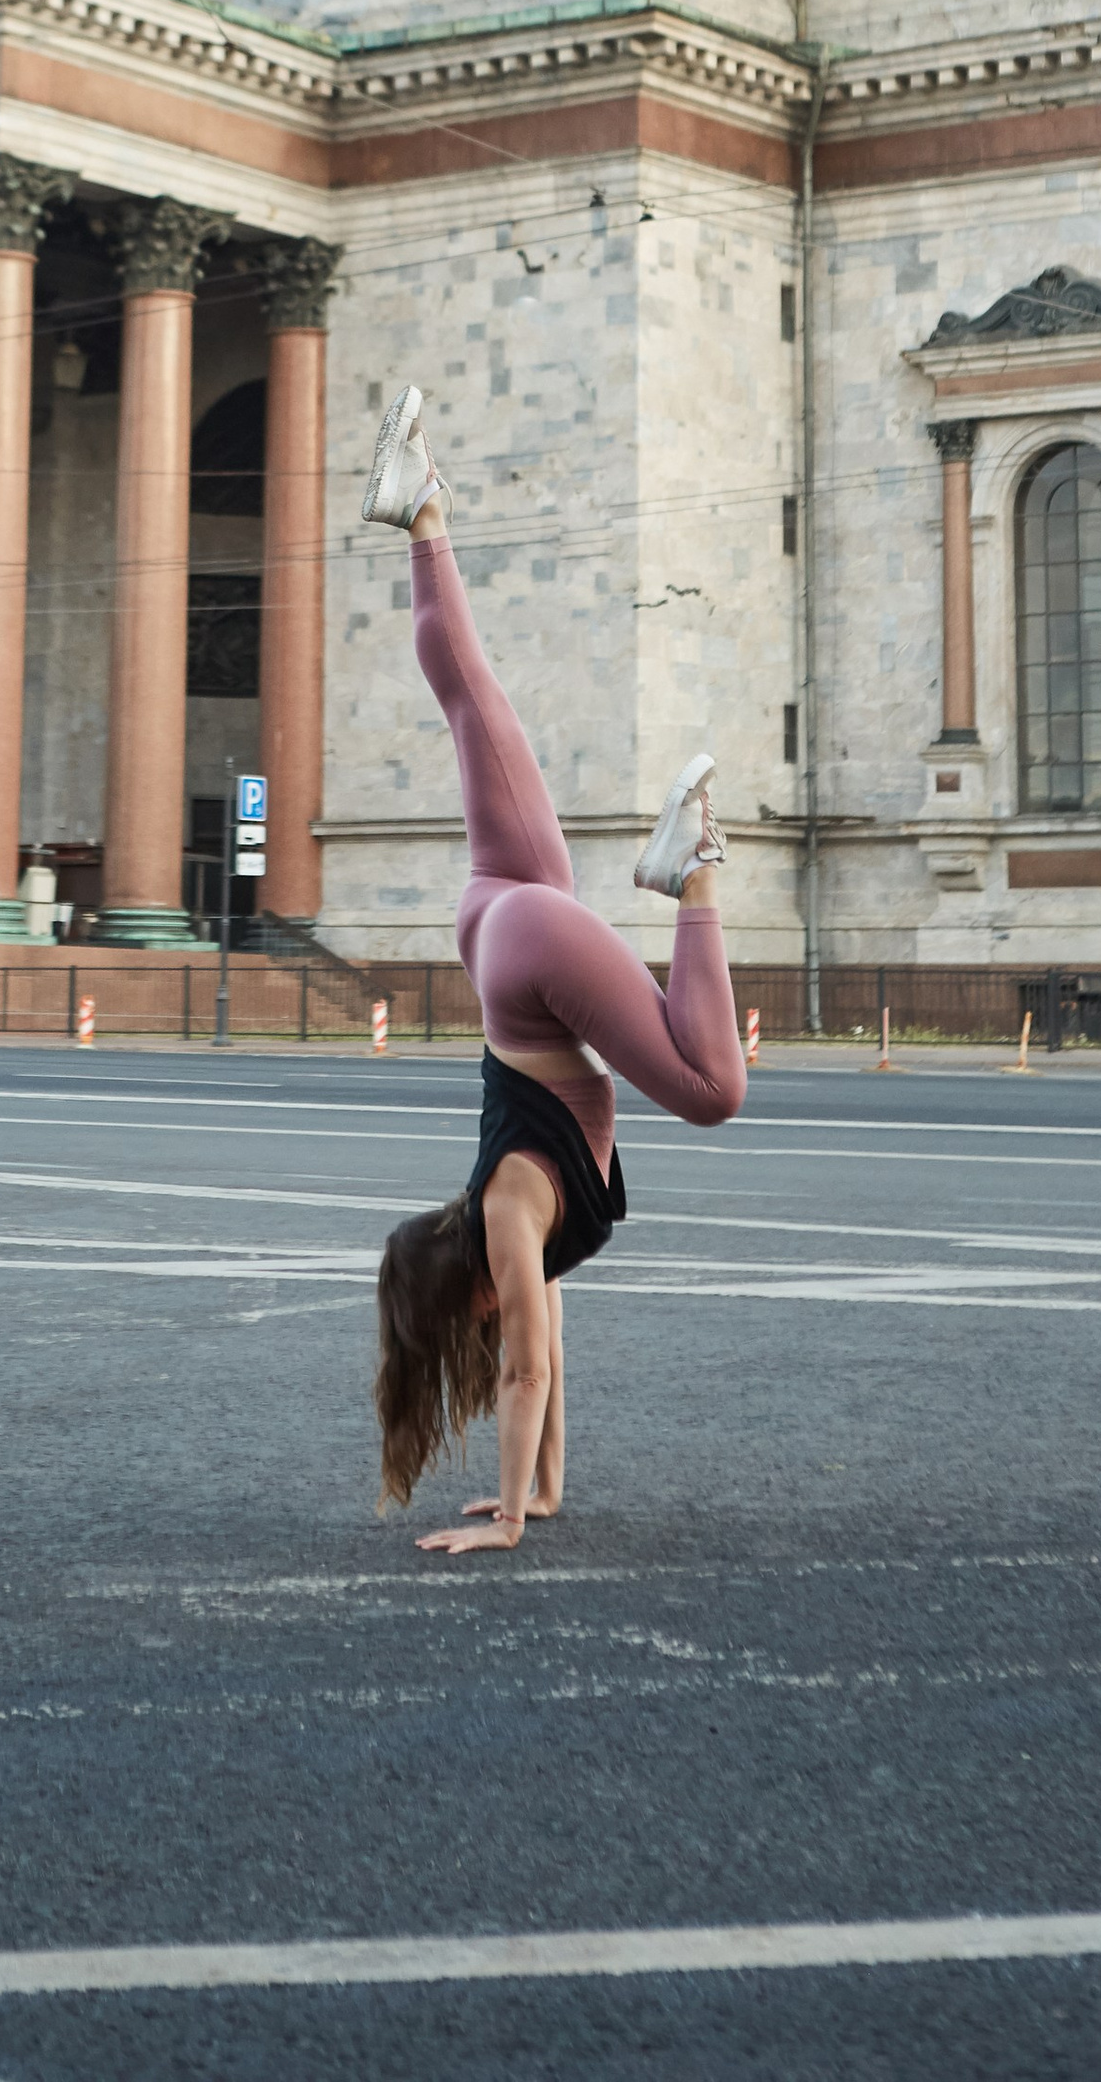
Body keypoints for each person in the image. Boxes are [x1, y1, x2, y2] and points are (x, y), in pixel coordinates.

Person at [361, 384, 746, 1553]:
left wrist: (509, 1527)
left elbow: (524, 1374)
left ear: (462, 1294)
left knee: (714, 1090)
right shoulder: (503, 1224)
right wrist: (549, 1493)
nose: (487, 1336)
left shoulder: (511, 1220)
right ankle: (419, 508)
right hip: (491, 925)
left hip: (527, 957)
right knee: (473, 705)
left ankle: (691, 872)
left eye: (464, 1328)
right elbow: (554, 1365)